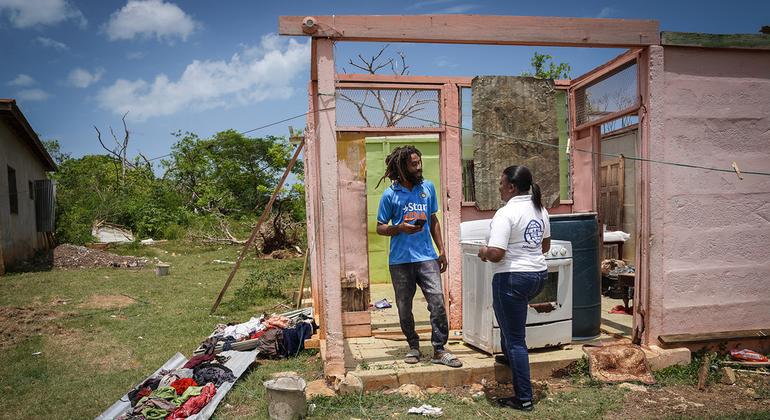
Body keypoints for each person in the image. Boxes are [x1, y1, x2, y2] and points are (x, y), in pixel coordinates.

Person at [375, 145, 462, 368]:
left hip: (427, 257)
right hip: (400, 260)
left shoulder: (428, 188)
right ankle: (413, 345)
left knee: (437, 302)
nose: (418, 166)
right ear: (402, 166)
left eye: (419, 162)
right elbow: (380, 228)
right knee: (404, 306)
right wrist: (400, 227)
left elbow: (433, 220)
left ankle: (439, 349)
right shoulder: (390, 195)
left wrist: (441, 250)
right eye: (414, 164)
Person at [476, 165, 551, 411]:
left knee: (516, 339)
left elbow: (497, 253)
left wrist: (483, 251)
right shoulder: (540, 209)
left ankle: (524, 398)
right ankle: (509, 357)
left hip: (511, 279)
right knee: (508, 324)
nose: (498, 187)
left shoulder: (505, 213)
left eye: (501, 183)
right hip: (538, 276)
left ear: (511, 187)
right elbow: (545, 246)